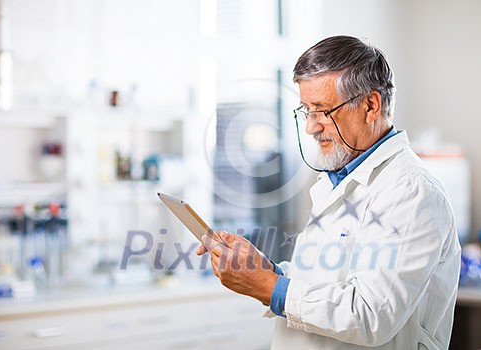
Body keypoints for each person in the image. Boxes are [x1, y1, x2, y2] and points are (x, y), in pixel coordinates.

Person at [196, 35, 461, 350]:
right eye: (306, 110)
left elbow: (370, 316)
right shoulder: (335, 182)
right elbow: (324, 280)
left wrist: (269, 288)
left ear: (370, 106)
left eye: (322, 110)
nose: (310, 127)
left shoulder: (411, 192)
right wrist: (264, 270)